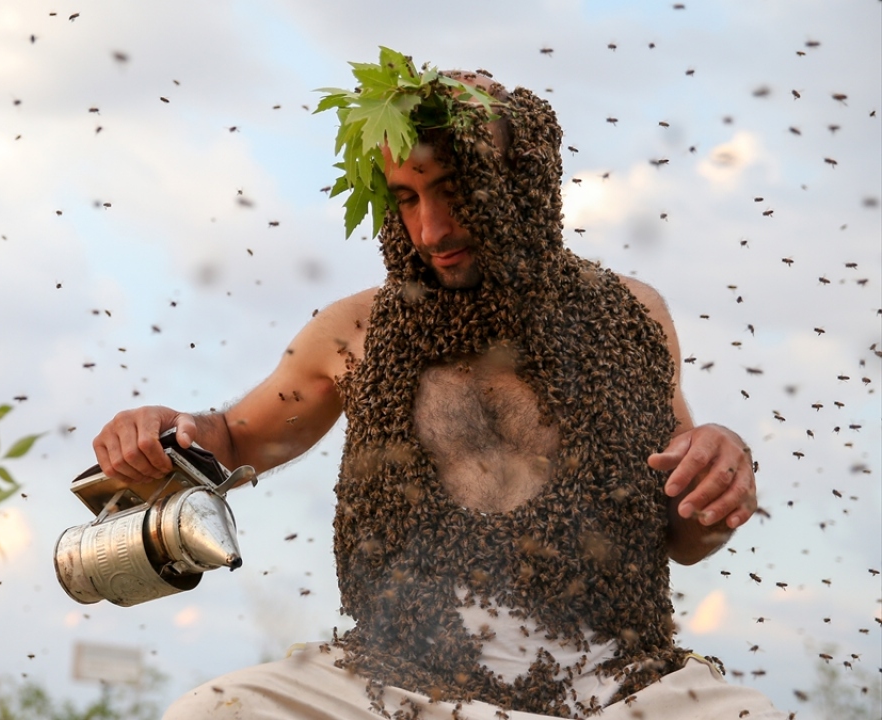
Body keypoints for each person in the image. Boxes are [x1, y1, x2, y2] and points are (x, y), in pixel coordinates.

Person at [92, 68, 782, 719]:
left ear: (524, 180)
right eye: (407, 198)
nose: (432, 229)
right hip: (399, 682)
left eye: (456, 190)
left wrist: (722, 470)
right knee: (211, 711)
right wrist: (159, 435)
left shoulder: (631, 316)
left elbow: (687, 531)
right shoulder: (354, 331)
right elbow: (232, 440)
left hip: (621, 684)